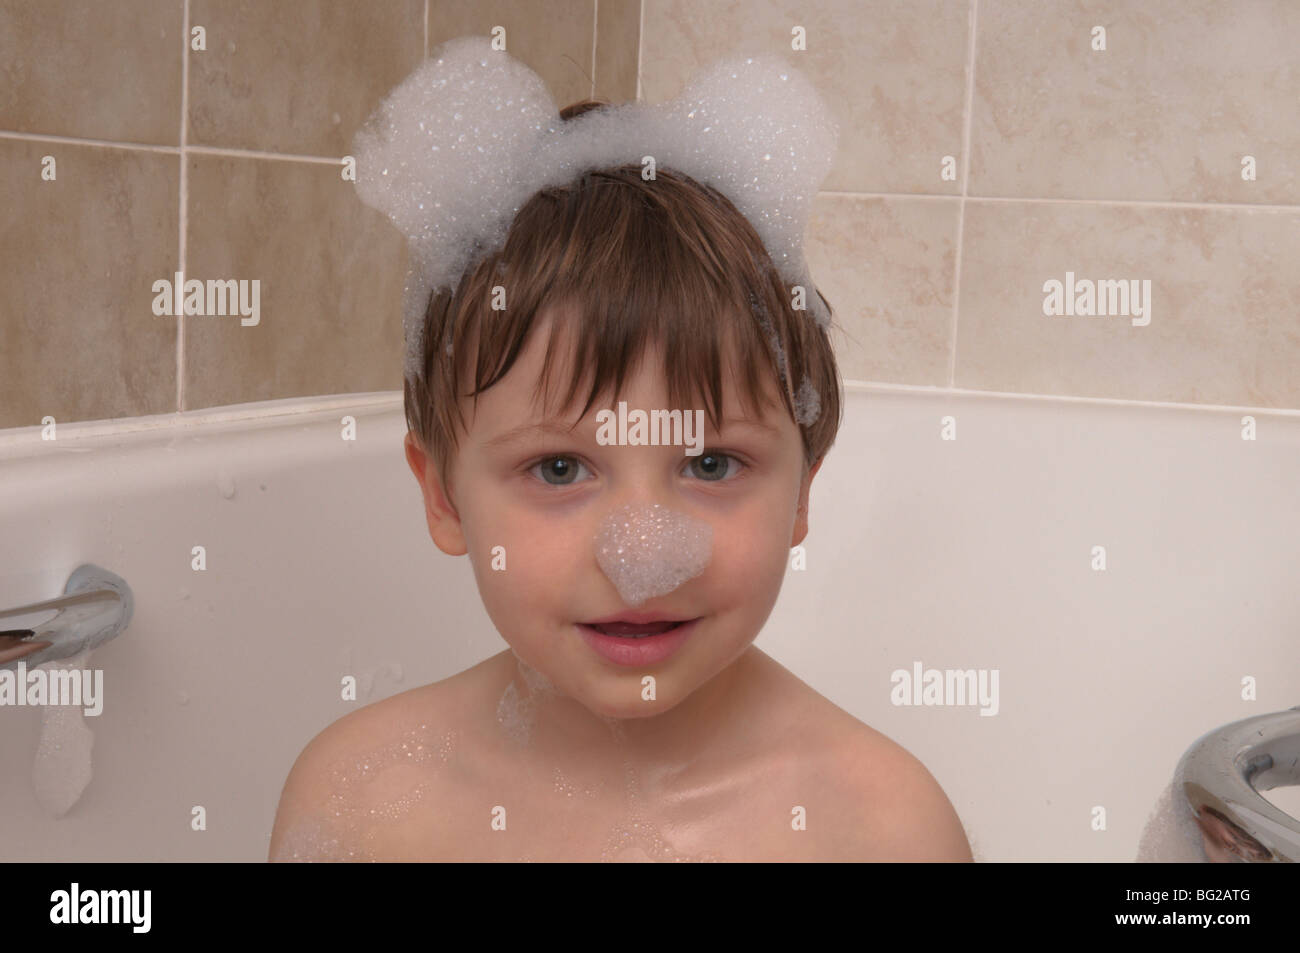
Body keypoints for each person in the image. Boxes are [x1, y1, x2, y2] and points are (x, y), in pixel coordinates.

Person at [269, 52, 972, 861]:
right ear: (444, 499)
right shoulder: (359, 799)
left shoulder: (882, 829)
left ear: (803, 496)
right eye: (560, 469)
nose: (643, 557)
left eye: (712, 464)